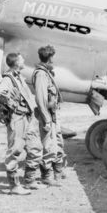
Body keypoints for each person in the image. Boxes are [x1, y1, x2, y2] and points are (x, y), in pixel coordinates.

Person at [0, 53, 43, 195]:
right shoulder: (8, 79)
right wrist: (11, 104)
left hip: (28, 118)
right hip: (17, 119)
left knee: (35, 148)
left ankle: (30, 181)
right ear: (16, 62)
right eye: (22, 59)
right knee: (15, 151)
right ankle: (14, 186)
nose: (24, 61)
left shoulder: (19, 77)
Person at [32, 45, 66, 187]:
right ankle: (47, 176)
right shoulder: (41, 74)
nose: (53, 61)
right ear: (49, 58)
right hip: (47, 115)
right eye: (52, 58)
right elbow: (40, 99)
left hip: (52, 114)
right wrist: (46, 119)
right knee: (48, 145)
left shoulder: (46, 73)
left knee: (57, 142)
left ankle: (58, 172)